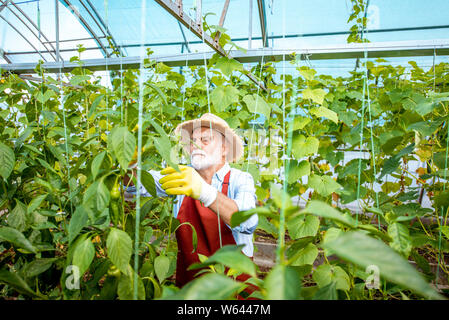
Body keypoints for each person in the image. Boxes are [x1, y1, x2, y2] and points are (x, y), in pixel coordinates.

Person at [124, 113, 258, 290]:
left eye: (205, 140)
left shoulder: (240, 179)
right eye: (192, 141)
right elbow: (134, 186)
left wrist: (204, 192)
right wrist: (130, 162)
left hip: (233, 291)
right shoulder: (182, 177)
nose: (196, 146)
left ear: (224, 148)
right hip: (191, 289)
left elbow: (248, 221)